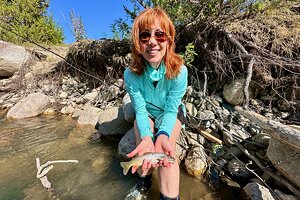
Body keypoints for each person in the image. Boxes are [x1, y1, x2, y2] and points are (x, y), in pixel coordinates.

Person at [123, 7, 188, 200]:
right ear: (138, 43)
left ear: (168, 41)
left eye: (159, 35)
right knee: (144, 146)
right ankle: (142, 185)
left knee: (165, 151)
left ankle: (170, 197)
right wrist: (146, 136)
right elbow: (140, 110)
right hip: (147, 113)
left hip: (171, 112)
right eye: (145, 36)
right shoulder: (131, 74)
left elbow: (171, 109)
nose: (152, 41)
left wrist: (163, 135)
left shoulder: (180, 71)